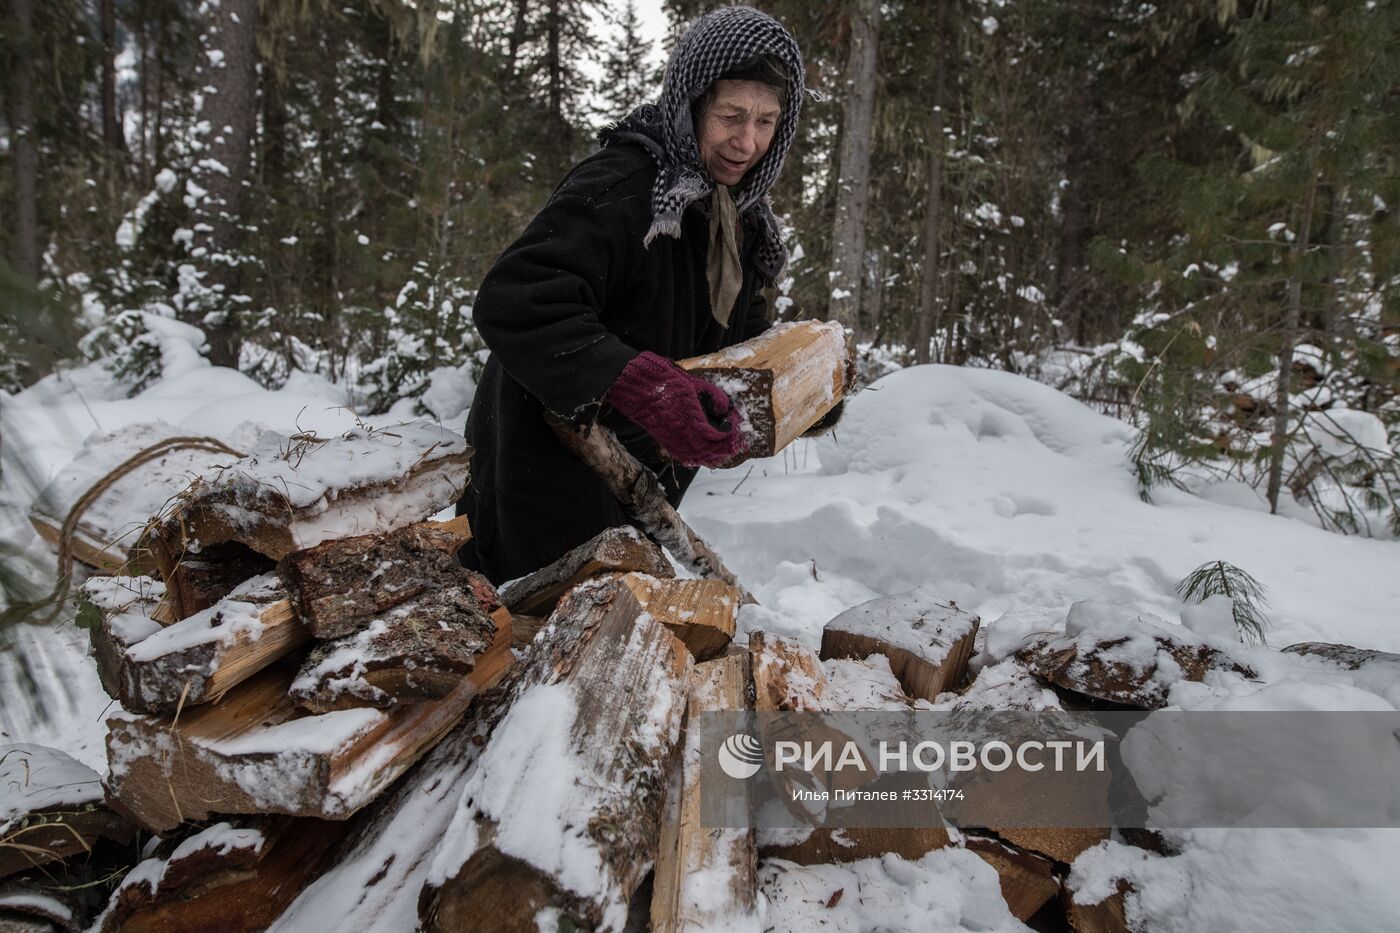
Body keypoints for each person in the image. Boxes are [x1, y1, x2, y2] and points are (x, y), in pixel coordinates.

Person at [457, 6, 807, 585]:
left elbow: (743, 342)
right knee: (522, 648)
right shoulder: (627, 186)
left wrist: (799, 390)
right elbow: (514, 297)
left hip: (634, 482)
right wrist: (643, 383)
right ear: (693, 101)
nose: (747, 142)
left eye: (766, 121)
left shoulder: (739, 219)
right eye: (731, 116)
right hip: (538, 475)